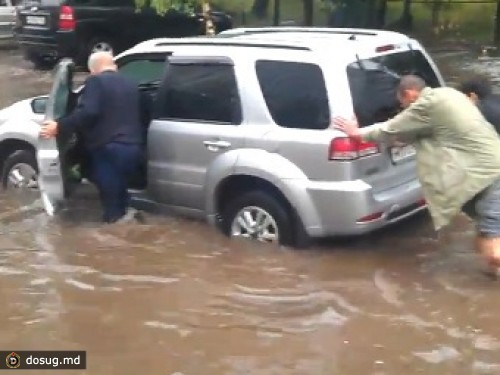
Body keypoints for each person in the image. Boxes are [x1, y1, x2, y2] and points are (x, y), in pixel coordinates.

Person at [333, 75, 500, 276]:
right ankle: (493, 279)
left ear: (410, 94)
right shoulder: (449, 94)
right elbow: (417, 132)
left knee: (492, 244)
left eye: (401, 103)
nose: (402, 108)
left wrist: (356, 133)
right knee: (486, 233)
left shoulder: (427, 103)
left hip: (487, 176)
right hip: (485, 171)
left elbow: (389, 128)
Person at [40, 51, 143, 224]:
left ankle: (114, 237)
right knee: (121, 194)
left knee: (111, 204)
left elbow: (89, 112)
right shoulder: (131, 83)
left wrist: (59, 125)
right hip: (133, 147)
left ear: (93, 70)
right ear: (114, 65)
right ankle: (128, 225)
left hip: (109, 149)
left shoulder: (95, 81)